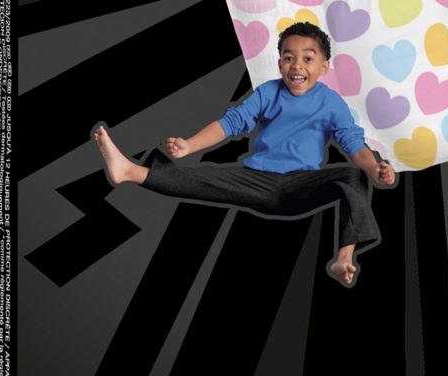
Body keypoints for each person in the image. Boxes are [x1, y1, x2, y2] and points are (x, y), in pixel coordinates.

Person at [92, 21, 395, 285]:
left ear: (323, 67)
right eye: (289, 58)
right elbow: (231, 122)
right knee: (203, 177)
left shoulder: (331, 103)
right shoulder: (268, 92)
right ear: (280, 63)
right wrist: (189, 145)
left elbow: (354, 145)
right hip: (256, 180)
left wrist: (375, 168)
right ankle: (129, 171)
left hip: (301, 185)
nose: (297, 65)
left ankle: (344, 256)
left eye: (307, 58)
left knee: (354, 177)